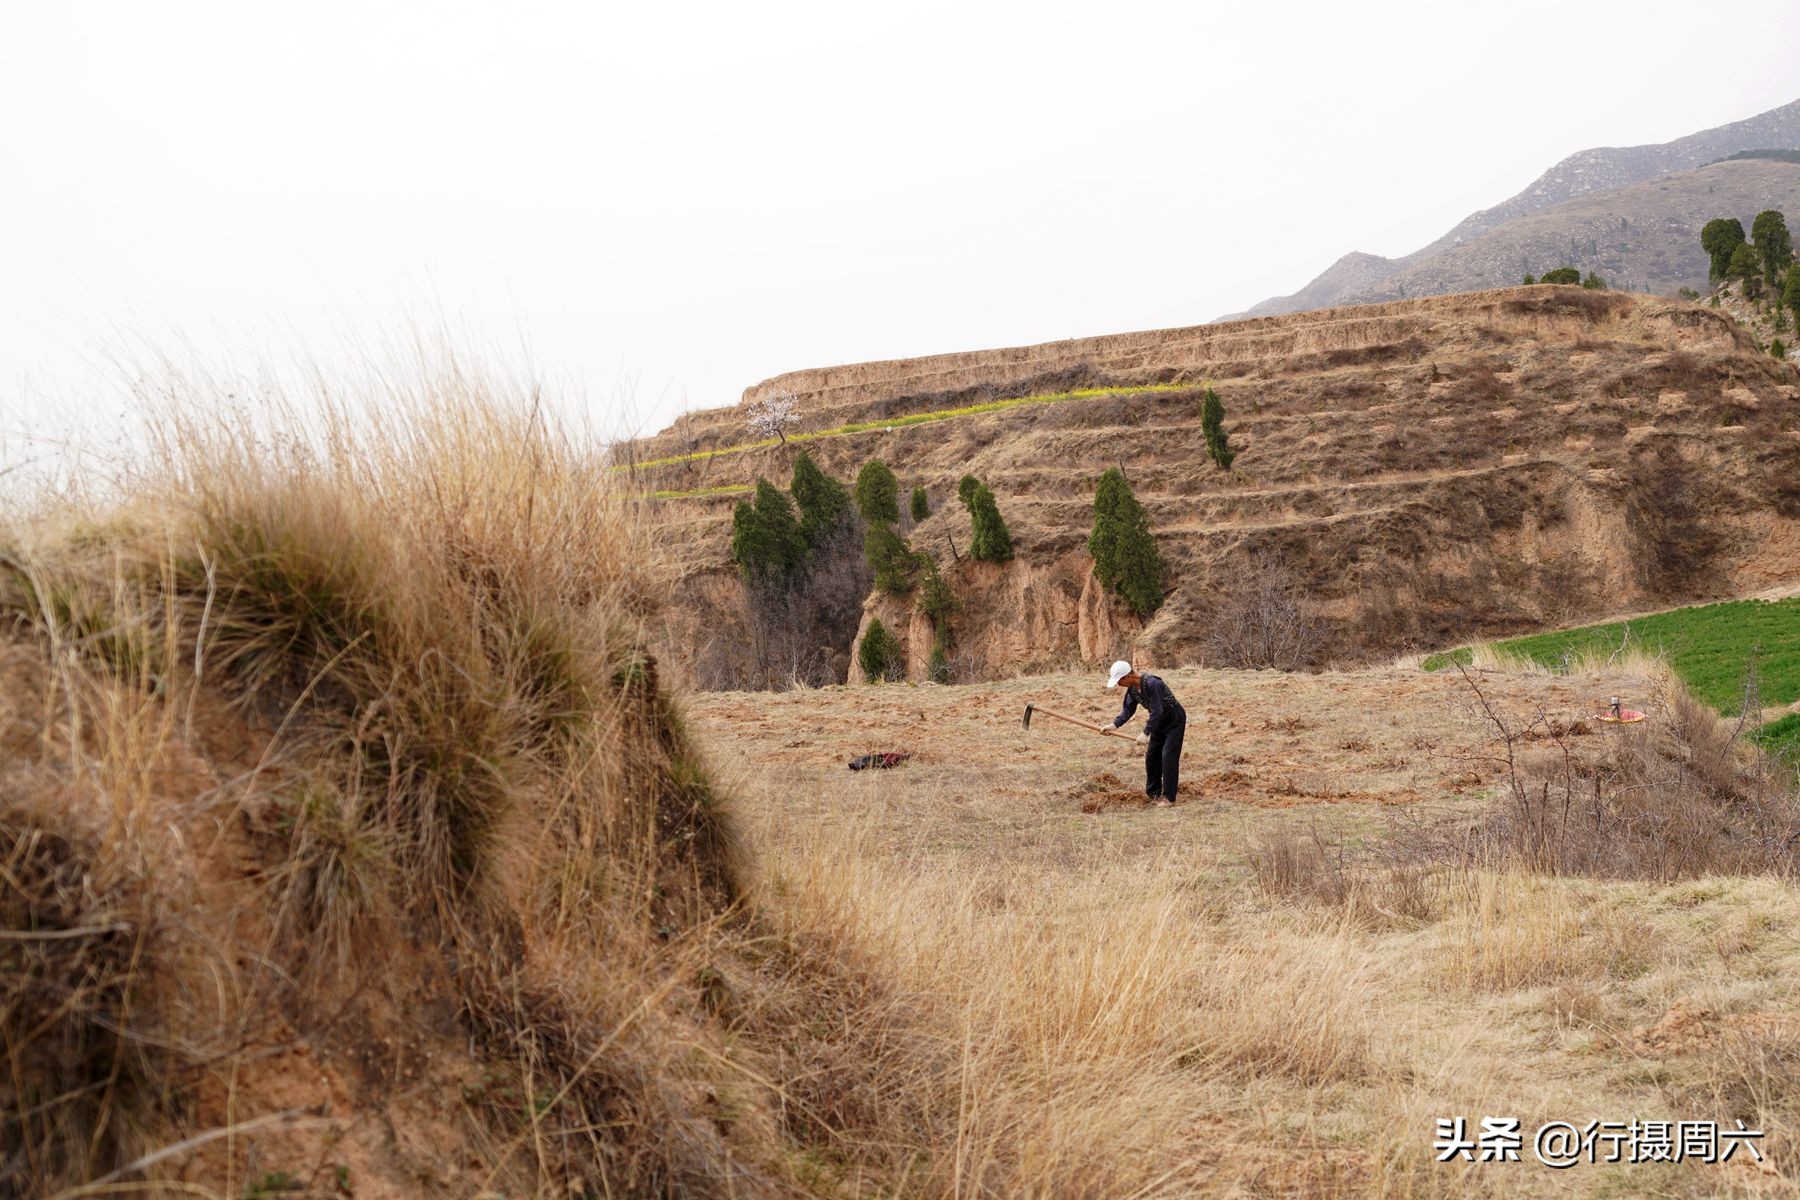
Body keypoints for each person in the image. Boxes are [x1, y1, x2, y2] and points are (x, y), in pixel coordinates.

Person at [1103, 659, 1185, 806]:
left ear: (1128, 676)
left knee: (1168, 757)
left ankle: (1169, 798)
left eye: (1119, 681)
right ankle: (1153, 794)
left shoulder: (1153, 683)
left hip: (1174, 719)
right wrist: (1114, 725)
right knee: (1152, 757)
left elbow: (1157, 710)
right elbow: (1128, 709)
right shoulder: (1133, 690)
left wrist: (1146, 733)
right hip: (1158, 722)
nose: (1118, 685)